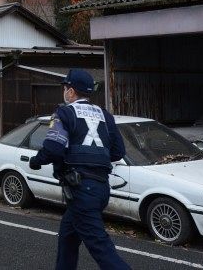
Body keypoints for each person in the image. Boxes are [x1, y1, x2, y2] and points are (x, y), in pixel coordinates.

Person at [29, 69, 129, 270]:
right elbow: (118, 152)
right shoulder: (105, 116)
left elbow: (54, 148)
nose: (64, 92)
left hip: (82, 189)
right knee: (68, 237)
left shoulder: (63, 113)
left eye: (65, 88)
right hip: (101, 188)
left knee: (101, 247)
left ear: (71, 91)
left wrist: (36, 161)